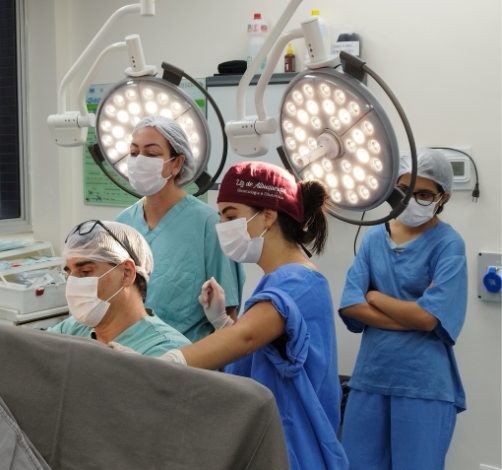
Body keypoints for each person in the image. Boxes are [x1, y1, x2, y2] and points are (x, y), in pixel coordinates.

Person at [112, 161, 348, 470]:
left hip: (292, 449)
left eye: (231, 216)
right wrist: (223, 322)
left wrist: (157, 365)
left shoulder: (297, 281)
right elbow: (266, 353)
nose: (221, 225)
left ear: (268, 215)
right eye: (221, 215)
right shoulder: (280, 280)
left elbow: (246, 337)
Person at [338, 149, 467, 470]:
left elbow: (428, 318)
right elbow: (351, 305)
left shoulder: (448, 244)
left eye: (424, 194)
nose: (411, 200)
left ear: (442, 197)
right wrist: (412, 315)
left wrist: (375, 297)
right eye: (404, 190)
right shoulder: (373, 238)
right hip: (370, 379)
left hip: (423, 385)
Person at [116, 115, 244, 343]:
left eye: (151, 154)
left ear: (176, 163)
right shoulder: (123, 223)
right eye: (134, 153)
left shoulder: (208, 225)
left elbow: (228, 317)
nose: (139, 161)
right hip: (130, 352)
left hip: (188, 357)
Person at [47, 220, 191, 357]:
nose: (73, 284)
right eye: (69, 274)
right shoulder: (72, 328)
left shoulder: (167, 350)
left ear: (127, 273)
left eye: (85, 271)